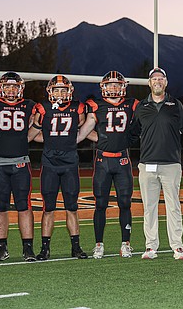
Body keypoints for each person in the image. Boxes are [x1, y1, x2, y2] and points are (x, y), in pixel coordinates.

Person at [129, 67, 183, 260]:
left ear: (165, 83)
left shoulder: (175, 104)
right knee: (149, 207)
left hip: (171, 164)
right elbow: (133, 133)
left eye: (161, 78)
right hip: (147, 164)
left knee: (173, 206)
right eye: (154, 79)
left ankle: (177, 246)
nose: (157, 81)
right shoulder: (141, 106)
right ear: (149, 83)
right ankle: (151, 247)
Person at [77, 71, 138, 259]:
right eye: (110, 85)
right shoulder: (96, 106)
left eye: (116, 85)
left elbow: (143, 126)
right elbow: (83, 132)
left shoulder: (132, 105)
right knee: (100, 204)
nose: (113, 88)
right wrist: (101, 139)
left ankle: (125, 243)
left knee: (125, 203)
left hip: (122, 159)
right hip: (103, 159)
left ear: (123, 87)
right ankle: (99, 244)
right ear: (104, 87)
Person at [28, 75, 88, 260]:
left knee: (72, 207)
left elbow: (82, 129)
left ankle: (75, 247)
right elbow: (34, 132)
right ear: (50, 92)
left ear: (69, 92)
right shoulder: (42, 108)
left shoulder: (77, 108)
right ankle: (45, 248)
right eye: (57, 90)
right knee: (48, 208)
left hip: (70, 163)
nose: (60, 94)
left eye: (63, 90)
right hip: (50, 163)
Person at [0, 71, 37, 262]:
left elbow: (36, 126)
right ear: (1, 88)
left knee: (24, 205)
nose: (11, 90)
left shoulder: (29, 106)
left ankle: (28, 248)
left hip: (21, 161)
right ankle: (1, 248)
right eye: (8, 86)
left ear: (20, 88)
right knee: (0, 207)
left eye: (15, 86)